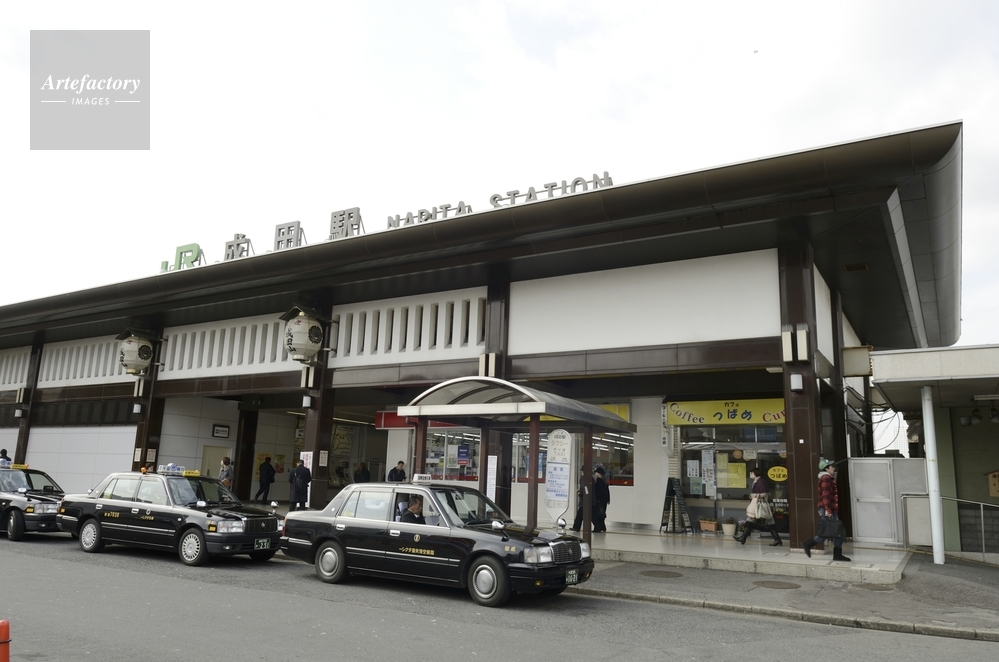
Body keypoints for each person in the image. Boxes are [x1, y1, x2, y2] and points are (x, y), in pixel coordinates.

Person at [803, 459, 851, 561]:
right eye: (831, 467)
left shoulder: (827, 478)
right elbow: (826, 495)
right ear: (826, 468)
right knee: (831, 532)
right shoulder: (826, 478)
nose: (833, 468)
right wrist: (828, 509)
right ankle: (808, 544)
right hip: (828, 509)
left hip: (829, 508)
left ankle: (837, 554)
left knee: (835, 531)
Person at [735, 467, 782, 546]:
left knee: (755, 521)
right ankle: (743, 538)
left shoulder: (761, 481)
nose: (751, 474)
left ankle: (743, 538)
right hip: (758, 505)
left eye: (752, 473)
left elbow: (764, 493)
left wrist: (755, 495)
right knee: (752, 520)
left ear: (755, 474)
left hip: (761, 505)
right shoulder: (756, 481)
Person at [592, 466, 611, 532]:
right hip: (604, 500)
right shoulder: (604, 480)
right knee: (601, 513)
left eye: (596, 472)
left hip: (599, 500)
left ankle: (599, 527)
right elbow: (607, 491)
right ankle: (602, 527)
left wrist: (597, 499)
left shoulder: (599, 481)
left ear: (599, 473)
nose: (595, 474)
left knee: (598, 514)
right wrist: (608, 499)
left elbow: (598, 491)